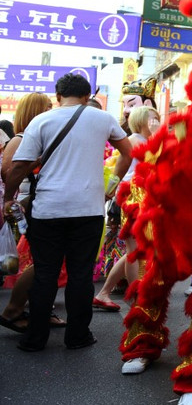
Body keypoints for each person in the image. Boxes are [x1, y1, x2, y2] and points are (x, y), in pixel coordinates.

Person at [3, 73, 132, 352]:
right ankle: (78, 336)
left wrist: (9, 198)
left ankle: (34, 339)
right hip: (88, 210)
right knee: (81, 274)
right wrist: (110, 185)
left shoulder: (42, 120)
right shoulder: (103, 119)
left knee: (45, 273)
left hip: (48, 209)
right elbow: (128, 153)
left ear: (58, 96)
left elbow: (17, 167)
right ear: (87, 96)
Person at [92, 106, 160, 313]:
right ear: (140, 120)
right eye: (152, 118)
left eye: (157, 118)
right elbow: (156, 161)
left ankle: (104, 292)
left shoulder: (145, 140)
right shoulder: (135, 140)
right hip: (133, 199)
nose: (155, 121)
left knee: (135, 249)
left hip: (144, 198)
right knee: (136, 250)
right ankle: (136, 297)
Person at [0, 93, 57, 333]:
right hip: (26, 204)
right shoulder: (20, 138)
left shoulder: (39, 137)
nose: (51, 110)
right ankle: (13, 310)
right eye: (46, 107)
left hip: (35, 203)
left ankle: (33, 309)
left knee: (43, 262)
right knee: (43, 262)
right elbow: (8, 173)